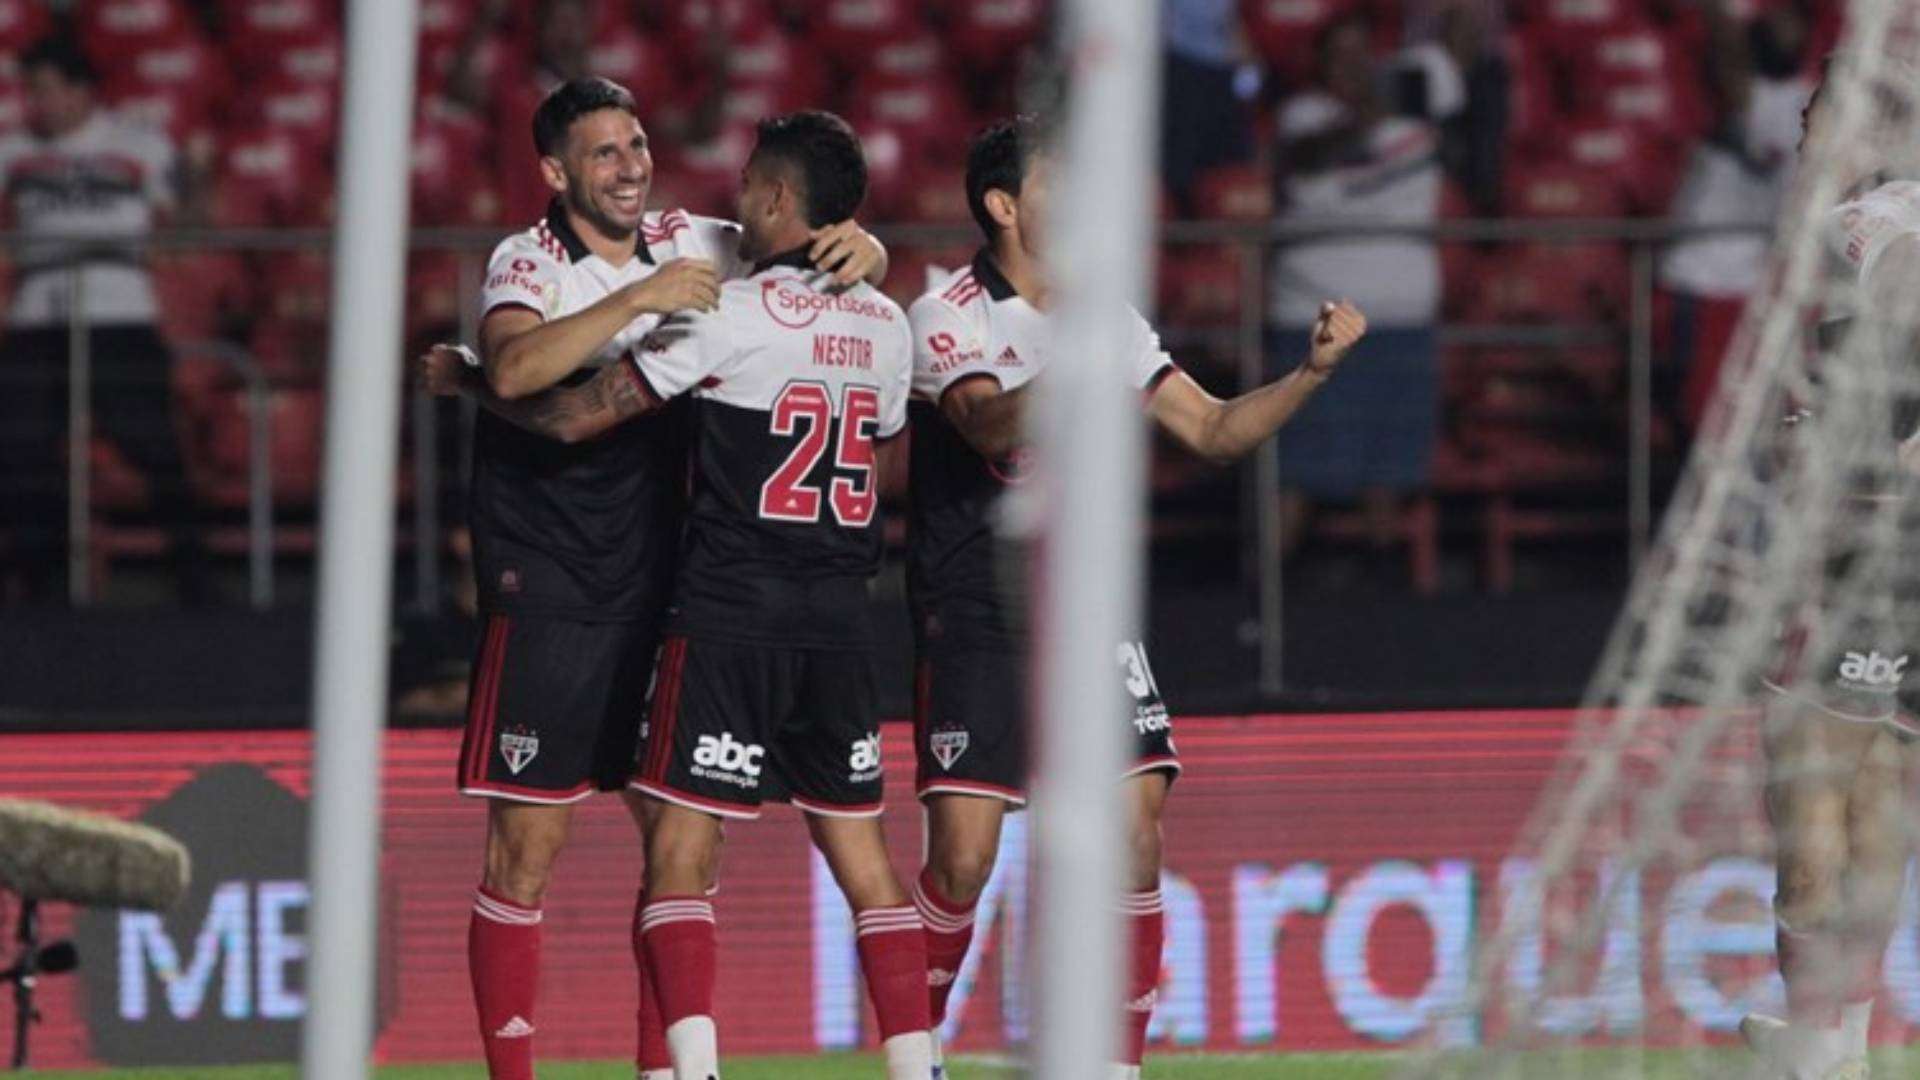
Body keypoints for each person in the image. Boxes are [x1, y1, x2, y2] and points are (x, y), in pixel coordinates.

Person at [440, 109, 933, 1080]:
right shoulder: (529, 261)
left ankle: (673, 1074)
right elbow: (517, 358)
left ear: (777, 199)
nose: (634, 167)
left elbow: (569, 411)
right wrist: (860, 258)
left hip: (697, 597)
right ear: (554, 169)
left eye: (637, 146)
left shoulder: (703, 256)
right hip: (572, 585)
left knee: (680, 851)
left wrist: (465, 386)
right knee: (532, 850)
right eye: (606, 152)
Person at [903, 116, 1366, 1080]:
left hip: (1087, 613)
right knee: (962, 861)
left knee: (1136, 833)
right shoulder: (946, 312)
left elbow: (1216, 431)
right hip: (979, 612)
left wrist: (1310, 374)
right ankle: (918, 1056)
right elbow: (986, 426)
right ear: (1002, 206)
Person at [1738, 58, 1920, 1080]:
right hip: (1873, 538)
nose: (1804, 130)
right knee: (1877, 805)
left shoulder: (1875, 220)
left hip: (1867, 548)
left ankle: (1814, 1044)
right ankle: (1837, 1045)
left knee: (1818, 799)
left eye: (1819, 115)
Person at [0, 35, 206, 604]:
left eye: (43, 90)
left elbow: (189, 218)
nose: (35, 104)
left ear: (79, 89)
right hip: (36, 316)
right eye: (29, 91)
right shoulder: (11, 150)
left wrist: (201, 177)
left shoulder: (139, 144)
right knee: (21, 451)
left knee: (154, 446)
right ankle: (37, 584)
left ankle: (194, 577)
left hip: (120, 312)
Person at [1269, 13, 1440, 567]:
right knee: (1295, 470)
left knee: (1388, 474)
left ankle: (1381, 610)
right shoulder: (1303, 116)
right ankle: (1258, 597)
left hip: (1401, 316)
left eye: (1361, 53)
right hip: (1312, 314)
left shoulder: (1415, 116)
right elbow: (1304, 160)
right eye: (1339, 55)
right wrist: (1365, 116)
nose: (1352, 66)